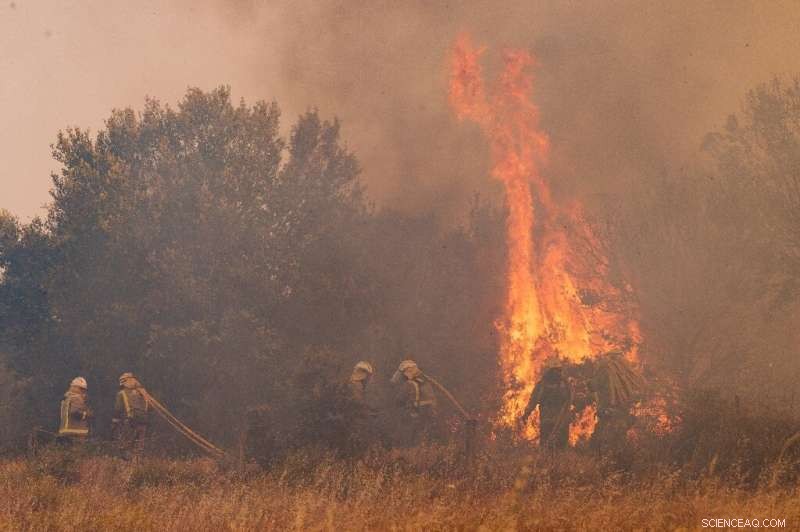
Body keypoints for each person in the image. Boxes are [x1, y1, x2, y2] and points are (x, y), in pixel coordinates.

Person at [520, 362, 573, 449]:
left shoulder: (565, 385)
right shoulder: (542, 385)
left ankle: (558, 461)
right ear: (550, 371)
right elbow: (533, 401)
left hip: (561, 422)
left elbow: (570, 400)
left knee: (560, 447)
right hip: (547, 421)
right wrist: (527, 413)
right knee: (546, 445)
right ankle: (547, 460)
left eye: (559, 370)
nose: (558, 373)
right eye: (555, 370)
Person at [390, 360, 438, 446]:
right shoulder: (426, 383)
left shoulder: (409, 384)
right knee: (425, 440)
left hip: (413, 417)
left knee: (411, 441)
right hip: (428, 416)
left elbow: (398, 401)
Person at [112, 372, 151, 456]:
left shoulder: (121, 393)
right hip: (143, 421)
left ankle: (127, 465)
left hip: (131, 421)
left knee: (126, 445)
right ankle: (137, 465)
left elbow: (117, 409)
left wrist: (114, 423)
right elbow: (150, 407)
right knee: (139, 447)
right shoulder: (142, 393)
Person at [58, 376, 92, 443]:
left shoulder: (66, 399)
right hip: (76, 432)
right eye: (81, 389)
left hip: (64, 431)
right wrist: (87, 414)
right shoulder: (77, 398)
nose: (83, 391)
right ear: (74, 387)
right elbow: (75, 412)